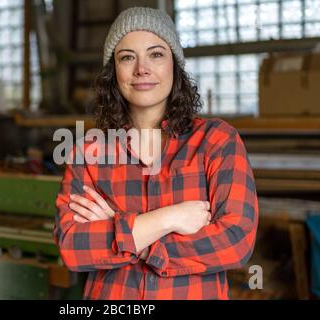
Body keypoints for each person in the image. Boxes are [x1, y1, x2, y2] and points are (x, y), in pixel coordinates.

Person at [53, 7, 258, 300]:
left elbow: (235, 242)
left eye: (156, 54)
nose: (142, 69)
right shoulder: (89, 152)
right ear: (114, 71)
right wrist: (167, 219)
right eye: (127, 57)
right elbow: (73, 248)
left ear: (175, 64)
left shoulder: (216, 141)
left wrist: (125, 231)